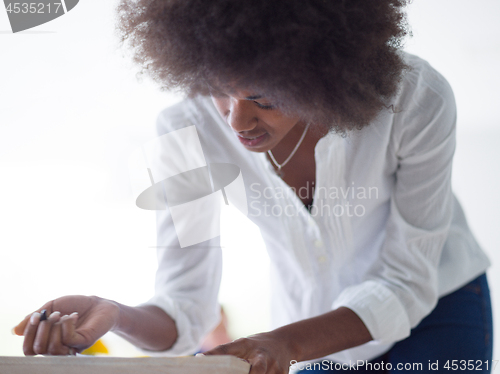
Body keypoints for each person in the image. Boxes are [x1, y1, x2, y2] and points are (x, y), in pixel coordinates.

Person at [13, 1, 493, 373]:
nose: (236, 119)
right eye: (221, 88)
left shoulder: (414, 99)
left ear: (323, 73)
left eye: (263, 97)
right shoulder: (184, 134)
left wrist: (287, 342)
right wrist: (113, 313)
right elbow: (185, 310)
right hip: (311, 328)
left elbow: (407, 281)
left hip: (439, 310)